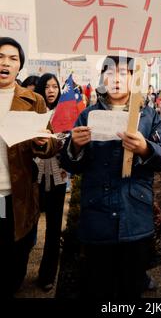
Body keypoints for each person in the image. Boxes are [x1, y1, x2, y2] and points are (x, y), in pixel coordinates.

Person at [60, 55, 161, 300]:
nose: (117, 79)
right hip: (96, 215)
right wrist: (75, 147)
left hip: (135, 215)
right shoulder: (87, 115)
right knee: (98, 286)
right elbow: (70, 164)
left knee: (130, 288)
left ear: (134, 79)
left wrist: (145, 148)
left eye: (124, 73)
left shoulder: (149, 116)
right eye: (110, 73)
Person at [0, 37, 57, 298]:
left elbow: (52, 144)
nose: (5, 63)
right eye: (1, 56)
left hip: (17, 194)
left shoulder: (33, 100)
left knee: (15, 258)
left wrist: (42, 142)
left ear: (19, 66)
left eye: (13, 58)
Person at [34, 73, 68, 291]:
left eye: (55, 86)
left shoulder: (66, 114)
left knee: (54, 229)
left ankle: (47, 275)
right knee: (29, 226)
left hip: (58, 178)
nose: (51, 90)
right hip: (33, 177)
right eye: (47, 86)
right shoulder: (32, 112)